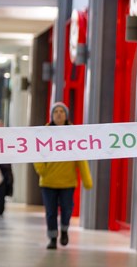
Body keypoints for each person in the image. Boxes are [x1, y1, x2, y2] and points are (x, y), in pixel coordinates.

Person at [33, 102, 92, 250]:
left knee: (67, 209)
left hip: (68, 182)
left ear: (66, 115)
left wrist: (87, 179)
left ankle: (64, 230)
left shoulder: (74, 134)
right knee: (51, 212)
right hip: (48, 182)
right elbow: (36, 153)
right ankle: (52, 238)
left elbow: (81, 158)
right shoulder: (44, 133)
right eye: (56, 112)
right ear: (52, 116)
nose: (59, 114)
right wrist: (42, 170)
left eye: (62, 111)